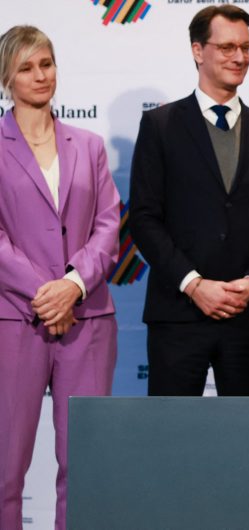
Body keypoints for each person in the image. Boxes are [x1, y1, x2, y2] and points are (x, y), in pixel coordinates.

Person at [129, 5, 249, 396]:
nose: (239, 57)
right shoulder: (160, 126)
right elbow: (144, 218)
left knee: (246, 430)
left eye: (245, 47)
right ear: (197, 50)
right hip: (178, 314)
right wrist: (193, 284)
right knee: (172, 429)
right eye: (227, 47)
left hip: (246, 315)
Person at [0, 25, 120, 530]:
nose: (40, 76)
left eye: (46, 64)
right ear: (7, 78)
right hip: (14, 321)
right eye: (26, 68)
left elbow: (108, 225)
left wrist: (72, 285)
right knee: (5, 470)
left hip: (88, 320)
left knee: (85, 466)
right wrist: (45, 293)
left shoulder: (88, 145)